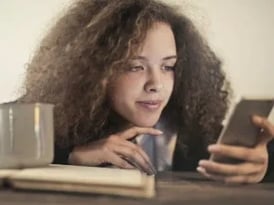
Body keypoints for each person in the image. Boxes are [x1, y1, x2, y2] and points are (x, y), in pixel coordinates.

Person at [19, 0, 274, 183]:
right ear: (93, 71)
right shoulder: (50, 117)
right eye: (135, 67)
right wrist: (71, 156)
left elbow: (252, 159)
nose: (156, 84)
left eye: (168, 66)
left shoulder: (194, 126)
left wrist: (264, 166)